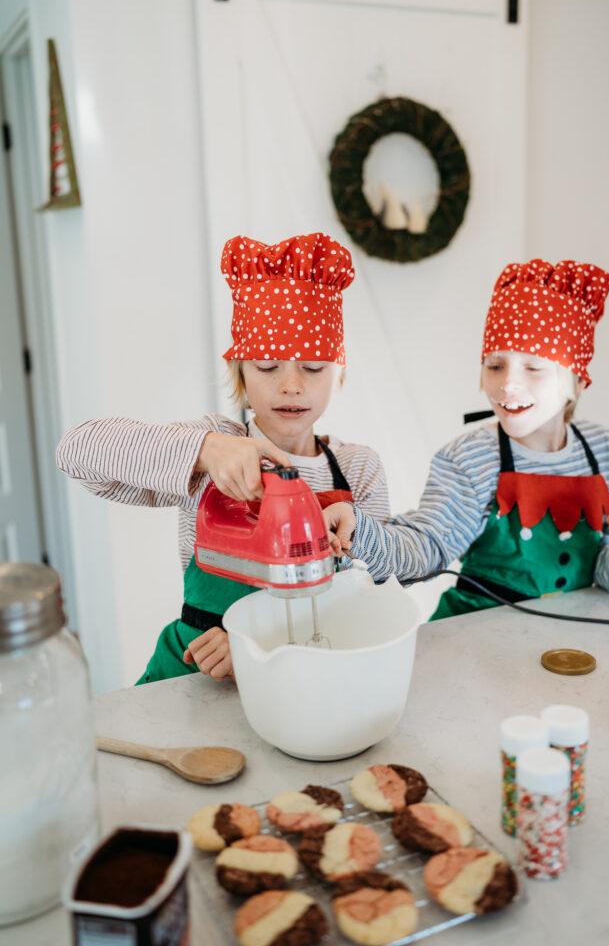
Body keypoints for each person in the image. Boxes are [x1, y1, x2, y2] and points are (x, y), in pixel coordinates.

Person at [57, 233, 390, 682]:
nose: (291, 384)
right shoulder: (214, 445)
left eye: (312, 367)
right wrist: (204, 451)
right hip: (195, 673)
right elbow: (77, 452)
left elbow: (373, 596)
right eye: (267, 366)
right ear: (240, 373)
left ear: (340, 372)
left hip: (309, 679)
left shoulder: (358, 468)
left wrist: (260, 641)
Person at [324, 259, 609, 616]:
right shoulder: (471, 456)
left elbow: (600, 570)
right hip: (479, 633)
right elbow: (428, 545)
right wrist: (362, 533)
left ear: (579, 382)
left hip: (569, 634)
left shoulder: (604, 449)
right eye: (495, 365)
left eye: (534, 367)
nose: (508, 383)